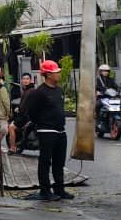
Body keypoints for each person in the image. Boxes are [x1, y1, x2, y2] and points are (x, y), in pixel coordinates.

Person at [20, 59, 72, 202]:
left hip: (60, 130)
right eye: (56, 72)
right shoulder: (39, 92)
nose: (59, 74)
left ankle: (59, 189)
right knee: (45, 161)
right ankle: (45, 190)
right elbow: (32, 112)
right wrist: (42, 123)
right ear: (48, 74)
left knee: (59, 161)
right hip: (47, 131)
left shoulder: (59, 90)